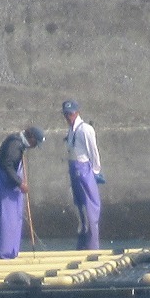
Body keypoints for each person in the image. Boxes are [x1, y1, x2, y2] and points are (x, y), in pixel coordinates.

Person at [0, 126, 45, 259]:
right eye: (35, 143)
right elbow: (7, 166)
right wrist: (20, 183)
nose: (34, 146)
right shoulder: (15, 145)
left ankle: (11, 251)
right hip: (4, 184)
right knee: (8, 220)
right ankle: (4, 253)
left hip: (10, 185)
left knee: (15, 218)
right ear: (31, 138)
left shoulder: (20, 145)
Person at [62, 99, 105, 250]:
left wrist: (95, 171)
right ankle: (82, 245)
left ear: (77, 112)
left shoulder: (85, 129)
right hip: (74, 168)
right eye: (66, 114)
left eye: (71, 114)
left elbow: (93, 151)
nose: (68, 117)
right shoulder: (71, 130)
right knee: (80, 207)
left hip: (84, 168)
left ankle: (93, 246)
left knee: (91, 206)